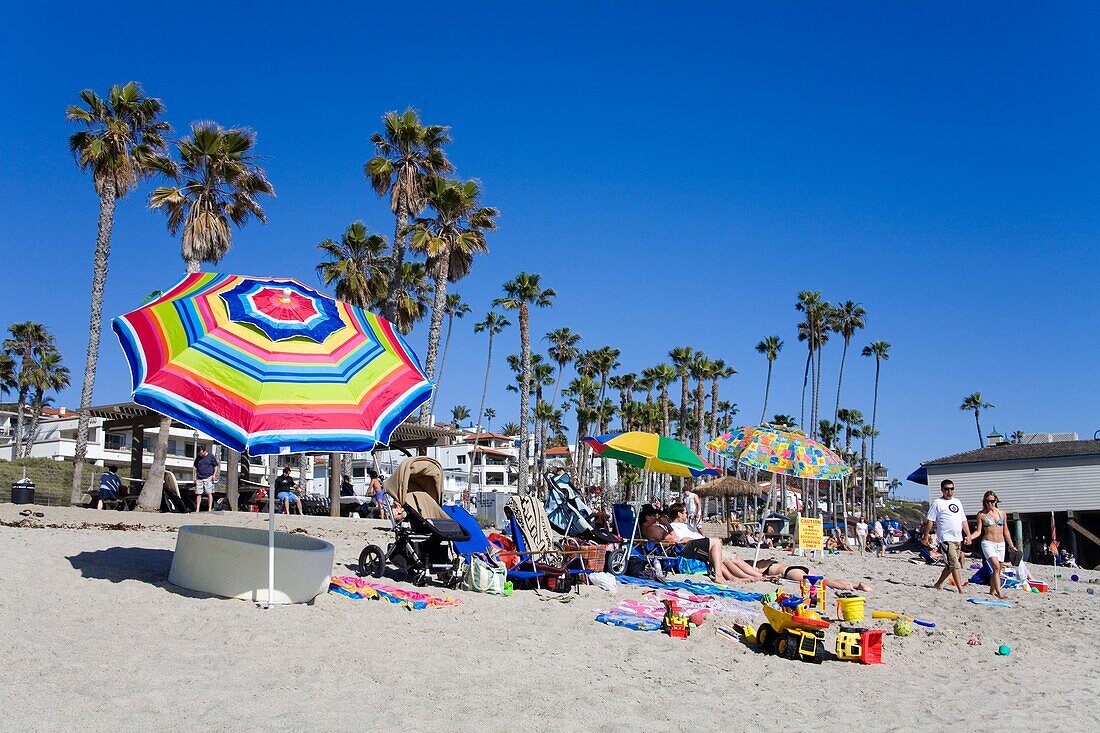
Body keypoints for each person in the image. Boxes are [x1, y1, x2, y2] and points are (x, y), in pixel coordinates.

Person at [641, 504, 765, 583]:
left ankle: (734, 577)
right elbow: (672, 539)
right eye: (654, 515)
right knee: (716, 542)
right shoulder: (653, 528)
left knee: (716, 554)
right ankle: (719, 575)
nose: (656, 517)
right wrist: (667, 524)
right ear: (647, 517)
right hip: (679, 549)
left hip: (681, 547)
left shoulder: (652, 527)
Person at [922, 479, 971, 594]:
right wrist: (926, 535)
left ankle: (939, 583)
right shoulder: (937, 503)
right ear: (942, 490)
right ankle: (960, 589)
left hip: (957, 538)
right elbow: (930, 520)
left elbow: (963, 519)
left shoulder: (957, 502)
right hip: (946, 538)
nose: (949, 491)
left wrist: (968, 534)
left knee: (950, 565)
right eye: (946, 489)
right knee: (955, 563)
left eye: (951, 489)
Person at [967, 490, 1017, 599]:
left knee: (998, 569)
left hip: (1001, 544)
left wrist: (1011, 546)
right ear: (984, 502)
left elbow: (1006, 531)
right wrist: (970, 537)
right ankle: (1000, 593)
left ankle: (992, 591)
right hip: (988, 543)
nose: (990, 504)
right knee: (996, 566)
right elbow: (979, 531)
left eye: (992, 501)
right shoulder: (981, 515)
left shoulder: (1002, 513)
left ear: (996, 501)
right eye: (987, 501)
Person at [753, 558, 874, 592]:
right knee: (824, 579)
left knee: (819, 582)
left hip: (789, 572)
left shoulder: (757, 566)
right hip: (798, 567)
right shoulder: (768, 561)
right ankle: (857, 585)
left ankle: (845, 587)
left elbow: (758, 576)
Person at [192, 445, 220, 512]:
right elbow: (195, 468)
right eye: (200, 453)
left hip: (208, 477)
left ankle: (209, 508)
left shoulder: (210, 456)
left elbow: (216, 466)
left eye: (202, 453)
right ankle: (197, 509)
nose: (201, 455)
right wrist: (195, 477)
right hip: (199, 477)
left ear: (204, 451)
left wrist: (214, 475)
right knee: (198, 493)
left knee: (209, 492)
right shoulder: (198, 458)